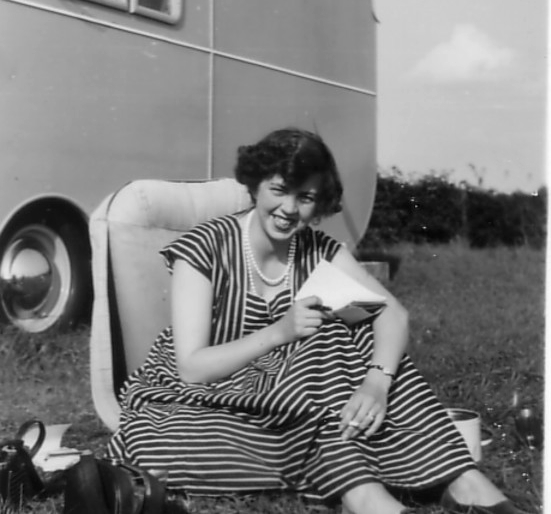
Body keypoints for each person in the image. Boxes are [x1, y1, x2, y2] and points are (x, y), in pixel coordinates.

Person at [106, 128, 524, 514]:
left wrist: (376, 384)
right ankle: (369, 488)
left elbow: (392, 313)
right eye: (279, 191)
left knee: (355, 331)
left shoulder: (316, 249)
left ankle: (460, 481)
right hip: (207, 398)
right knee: (154, 442)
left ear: (320, 203)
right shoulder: (205, 247)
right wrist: (280, 333)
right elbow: (192, 368)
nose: (289, 209)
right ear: (255, 185)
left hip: (298, 393)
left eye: (305, 198)